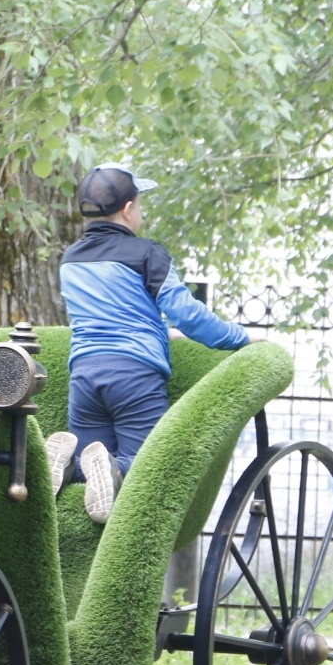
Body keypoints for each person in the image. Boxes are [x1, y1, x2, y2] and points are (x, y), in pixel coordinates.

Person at [44, 163, 250, 524]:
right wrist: (240, 337)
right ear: (127, 209)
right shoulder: (147, 254)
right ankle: (107, 466)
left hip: (85, 375)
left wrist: (157, 331)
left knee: (92, 465)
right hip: (134, 376)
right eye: (140, 204)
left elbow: (111, 312)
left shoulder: (71, 259)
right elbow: (185, 313)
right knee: (146, 468)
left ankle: (64, 463)